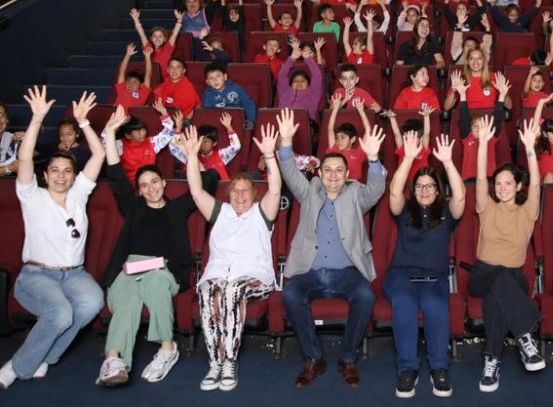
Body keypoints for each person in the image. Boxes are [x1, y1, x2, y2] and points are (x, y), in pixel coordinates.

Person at [95, 106, 219, 387]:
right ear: (138, 190)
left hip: (164, 268)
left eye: (154, 182)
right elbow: (115, 174)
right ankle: (114, 360)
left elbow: (209, 181)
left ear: (164, 183)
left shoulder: (177, 208)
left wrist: (191, 155)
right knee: (125, 297)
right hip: (129, 268)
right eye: (144, 185)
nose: (150, 188)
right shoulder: (133, 207)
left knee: (154, 284)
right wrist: (111, 131)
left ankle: (167, 349)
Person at [0, 88, 105, 390]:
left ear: (74, 176)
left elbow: (98, 154)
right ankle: (17, 366)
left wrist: (84, 123)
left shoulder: (79, 195)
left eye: (67, 171)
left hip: (74, 275)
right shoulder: (32, 196)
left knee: (91, 302)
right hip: (36, 275)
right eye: (55, 170)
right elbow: (24, 159)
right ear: (45, 175)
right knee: (60, 313)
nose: (61, 176)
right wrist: (36, 120)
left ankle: (46, 356)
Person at [278, 109, 387, 388]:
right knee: (290, 293)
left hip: (347, 272)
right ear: (320, 173)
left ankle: (348, 358)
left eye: (339, 170)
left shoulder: (356, 194)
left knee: (365, 296)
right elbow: (290, 172)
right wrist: (287, 143)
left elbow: (376, 188)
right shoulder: (310, 191)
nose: (333, 175)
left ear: (348, 173)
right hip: (311, 271)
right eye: (328, 170)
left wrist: (373, 159)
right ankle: (314, 358)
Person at [184, 124, 282, 392]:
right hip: (218, 273)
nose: (239, 195)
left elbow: (275, 190)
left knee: (231, 290)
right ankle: (214, 362)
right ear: (229, 195)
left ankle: (229, 360)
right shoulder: (221, 213)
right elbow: (195, 191)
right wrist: (192, 156)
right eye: (235, 191)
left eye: (245, 191)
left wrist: (270, 157)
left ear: (254, 195)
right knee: (207, 291)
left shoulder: (262, 214)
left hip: (254, 277)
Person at [385, 133, 466, 398]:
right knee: (405, 304)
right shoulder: (405, 211)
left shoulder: (446, 214)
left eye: (430, 185)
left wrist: (448, 162)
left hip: (434, 278)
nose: (424, 190)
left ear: (438, 189)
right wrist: (408, 158)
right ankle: (408, 369)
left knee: (435, 307)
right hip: (401, 276)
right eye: (420, 185)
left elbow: (462, 197)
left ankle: (439, 369)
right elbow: (395, 191)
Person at [471, 116, 545, 394]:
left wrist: (529, 149)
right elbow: (480, 177)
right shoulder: (487, 207)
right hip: (481, 273)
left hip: (513, 279)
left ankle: (492, 362)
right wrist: (482, 144)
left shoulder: (527, 211)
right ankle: (526, 334)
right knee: (498, 278)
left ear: (518, 186)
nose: (501, 188)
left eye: (507, 183)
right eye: (498, 183)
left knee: (497, 296)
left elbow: (537, 185)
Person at [105, 98, 176, 187]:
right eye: (138, 131)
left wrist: (164, 112)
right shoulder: (120, 145)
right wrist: (115, 126)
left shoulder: (151, 143)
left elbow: (169, 132)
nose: (142, 133)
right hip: (128, 187)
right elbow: (103, 146)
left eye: (143, 129)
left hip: (150, 186)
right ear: (128, 135)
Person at [169, 112, 242, 180]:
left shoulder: (221, 155)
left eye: (206, 142)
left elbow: (236, 146)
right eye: (199, 141)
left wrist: (229, 127)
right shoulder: (190, 156)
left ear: (214, 143)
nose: (202, 144)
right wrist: (178, 128)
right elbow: (173, 148)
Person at [277, 43, 324, 123]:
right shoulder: (285, 91)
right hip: (282, 122)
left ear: (309, 84)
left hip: (305, 123)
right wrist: (292, 58)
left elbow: (317, 76)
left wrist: (308, 59)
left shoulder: (313, 92)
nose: (299, 83)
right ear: (290, 84)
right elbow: (282, 76)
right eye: (296, 81)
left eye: (302, 81)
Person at [201, 62, 257, 129]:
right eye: (211, 78)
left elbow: (249, 104)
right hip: (218, 124)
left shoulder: (236, 88)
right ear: (208, 82)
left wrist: (251, 120)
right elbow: (208, 114)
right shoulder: (208, 95)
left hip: (239, 122)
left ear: (225, 77)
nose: (215, 80)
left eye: (218, 76)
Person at [115, 43, 153, 109]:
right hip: (116, 117)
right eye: (129, 82)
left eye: (135, 82)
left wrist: (147, 57)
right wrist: (127, 55)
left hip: (131, 118)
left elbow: (148, 75)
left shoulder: (143, 93)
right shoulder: (122, 89)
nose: (130, 84)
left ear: (141, 85)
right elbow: (121, 72)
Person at [0, 103, 22, 177]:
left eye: (1, 115)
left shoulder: (14, 139)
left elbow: (24, 166)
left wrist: (27, 141)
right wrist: (8, 168)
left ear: (7, 120)